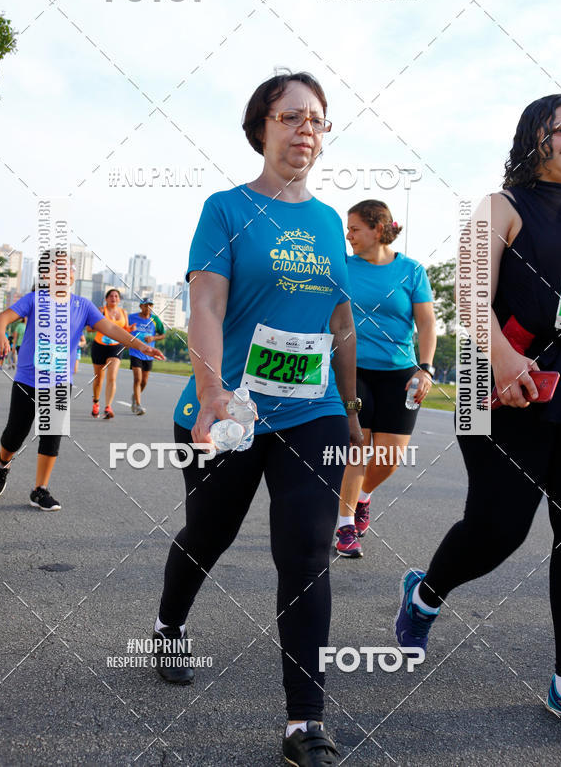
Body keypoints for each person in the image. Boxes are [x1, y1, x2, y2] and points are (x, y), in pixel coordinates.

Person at [151, 71, 361, 767]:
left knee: (305, 551)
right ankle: (169, 626)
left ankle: (305, 722)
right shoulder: (226, 208)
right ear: (261, 127)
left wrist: (351, 407)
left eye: (317, 120)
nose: (306, 129)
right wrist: (213, 393)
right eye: (290, 116)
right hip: (229, 411)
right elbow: (206, 304)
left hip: (313, 410)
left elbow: (339, 319)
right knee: (208, 534)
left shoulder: (329, 222)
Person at [394, 94, 561, 720]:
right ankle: (425, 594)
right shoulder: (502, 206)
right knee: (499, 529)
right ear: (535, 136)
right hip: (487, 377)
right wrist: (504, 359)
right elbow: (469, 294)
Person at [0, 252, 163, 510]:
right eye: (58, 266)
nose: (66, 270)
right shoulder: (34, 299)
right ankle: (2, 463)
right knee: (15, 433)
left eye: (69, 267)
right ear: (46, 275)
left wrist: (141, 346)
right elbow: (2, 317)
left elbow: (112, 329)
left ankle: (40, 490)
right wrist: (0, 333)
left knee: (52, 434)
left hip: (60, 381)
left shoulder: (83, 305)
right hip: (28, 379)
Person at [335, 200, 436, 557]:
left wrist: (426, 368)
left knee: (391, 457)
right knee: (357, 448)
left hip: (400, 374)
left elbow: (426, 323)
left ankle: (363, 497)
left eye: (355, 228)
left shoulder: (411, 270)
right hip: (352, 371)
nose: (348, 235)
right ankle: (345, 526)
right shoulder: (343, 267)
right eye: (347, 229)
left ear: (378, 229)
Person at [90, 289, 133, 418]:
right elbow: (90, 328)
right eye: (111, 296)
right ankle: (96, 402)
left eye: (116, 296)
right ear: (106, 299)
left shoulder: (123, 312)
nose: (113, 298)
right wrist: (95, 326)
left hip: (116, 347)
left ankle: (108, 407)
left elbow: (125, 329)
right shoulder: (101, 310)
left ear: (119, 299)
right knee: (99, 379)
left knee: (112, 377)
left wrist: (130, 330)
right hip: (99, 346)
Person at [127, 297, 166, 415]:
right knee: (137, 379)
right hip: (135, 351)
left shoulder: (155, 319)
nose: (148, 308)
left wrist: (153, 338)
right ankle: (138, 405)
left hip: (149, 353)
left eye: (151, 305)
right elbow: (123, 328)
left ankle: (135, 396)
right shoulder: (131, 317)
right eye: (146, 305)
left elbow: (163, 335)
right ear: (141, 306)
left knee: (144, 381)